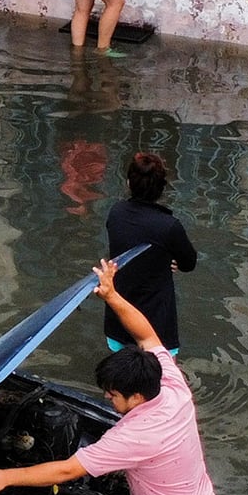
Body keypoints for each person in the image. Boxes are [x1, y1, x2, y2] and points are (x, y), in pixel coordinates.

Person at [0, 259, 225, 495]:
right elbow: (146, 335)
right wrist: (111, 295)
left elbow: (66, 470)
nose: (106, 398)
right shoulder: (171, 385)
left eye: (113, 395)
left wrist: (5, 476)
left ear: (136, 396)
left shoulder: (134, 436)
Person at [104, 151, 198, 354]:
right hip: (156, 324)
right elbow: (189, 263)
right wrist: (175, 262)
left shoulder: (116, 213)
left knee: (123, 377)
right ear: (162, 188)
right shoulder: (169, 226)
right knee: (162, 379)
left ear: (129, 183)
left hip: (119, 318)